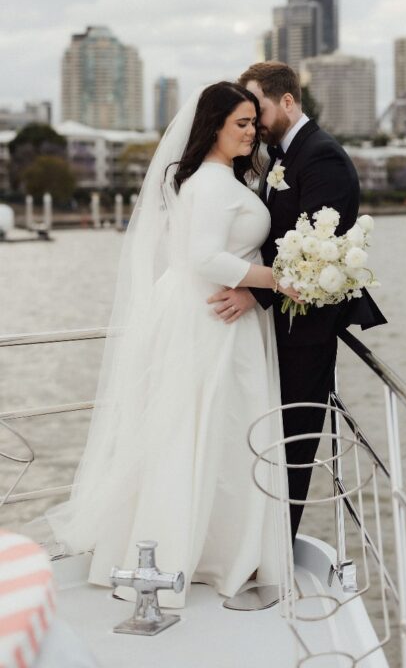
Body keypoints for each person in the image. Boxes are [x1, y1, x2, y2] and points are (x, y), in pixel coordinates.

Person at [43, 82, 297, 608]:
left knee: (219, 430)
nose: (251, 133)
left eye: (254, 123)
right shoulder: (207, 185)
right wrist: (276, 281)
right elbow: (204, 257)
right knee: (197, 429)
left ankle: (214, 545)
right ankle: (187, 551)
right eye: (241, 124)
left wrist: (255, 286)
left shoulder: (220, 180)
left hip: (217, 314)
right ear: (214, 126)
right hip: (207, 317)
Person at [208, 62, 386, 539]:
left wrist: (253, 292)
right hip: (281, 324)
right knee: (272, 436)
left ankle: (279, 550)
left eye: (258, 110)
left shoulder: (321, 157)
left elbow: (316, 253)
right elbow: (290, 240)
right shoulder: (284, 153)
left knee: (296, 442)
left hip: (306, 329)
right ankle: (259, 543)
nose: (255, 121)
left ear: (287, 101)